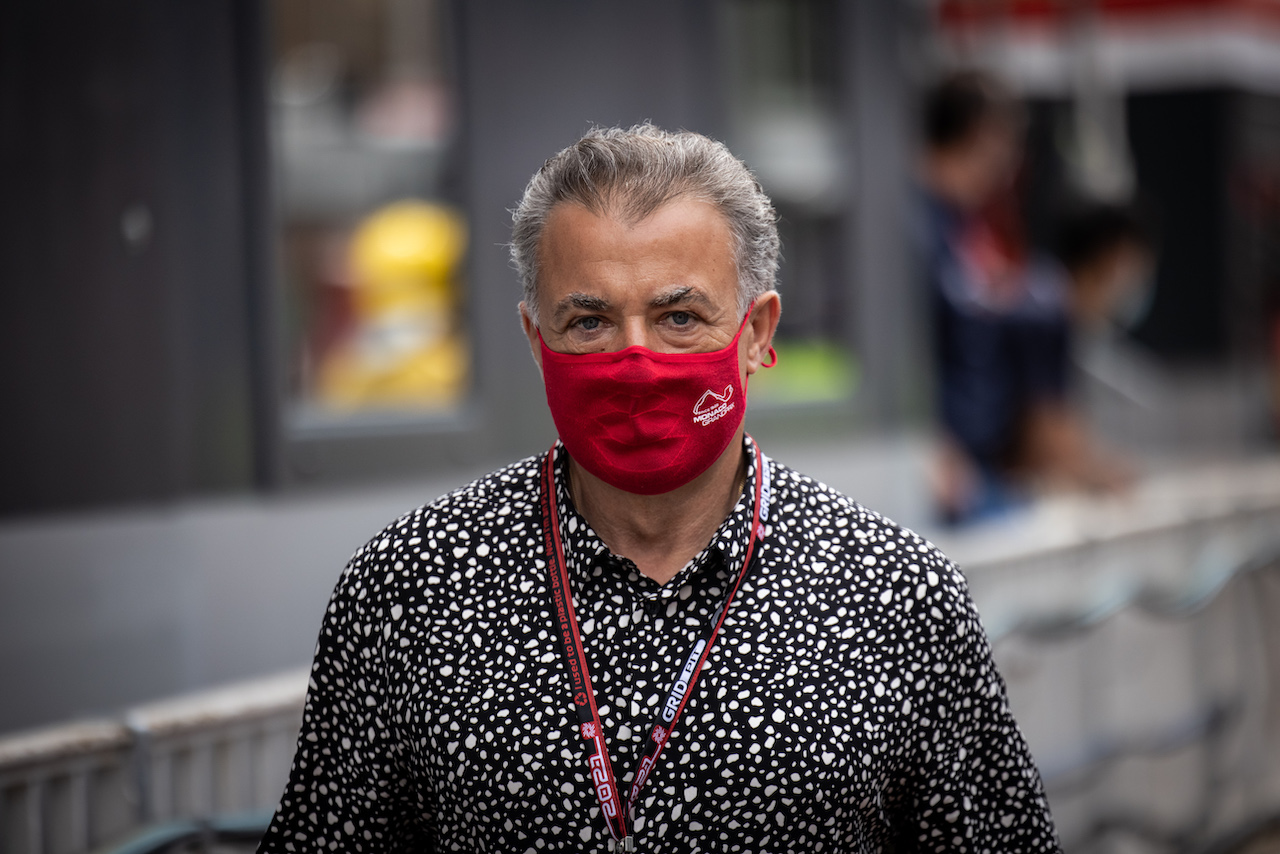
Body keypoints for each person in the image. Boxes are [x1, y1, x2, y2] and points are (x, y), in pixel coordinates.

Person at [258, 124, 1059, 852]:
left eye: (679, 318)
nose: (635, 362)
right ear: (537, 344)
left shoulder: (897, 596)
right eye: (589, 323)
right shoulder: (409, 589)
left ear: (756, 335)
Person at [919, 70, 1135, 524]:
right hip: (944, 472)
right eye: (1009, 143)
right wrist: (925, 445)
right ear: (983, 134)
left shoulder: (966, 229)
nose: (1012, 162)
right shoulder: (915, 227)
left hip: (977, 465)